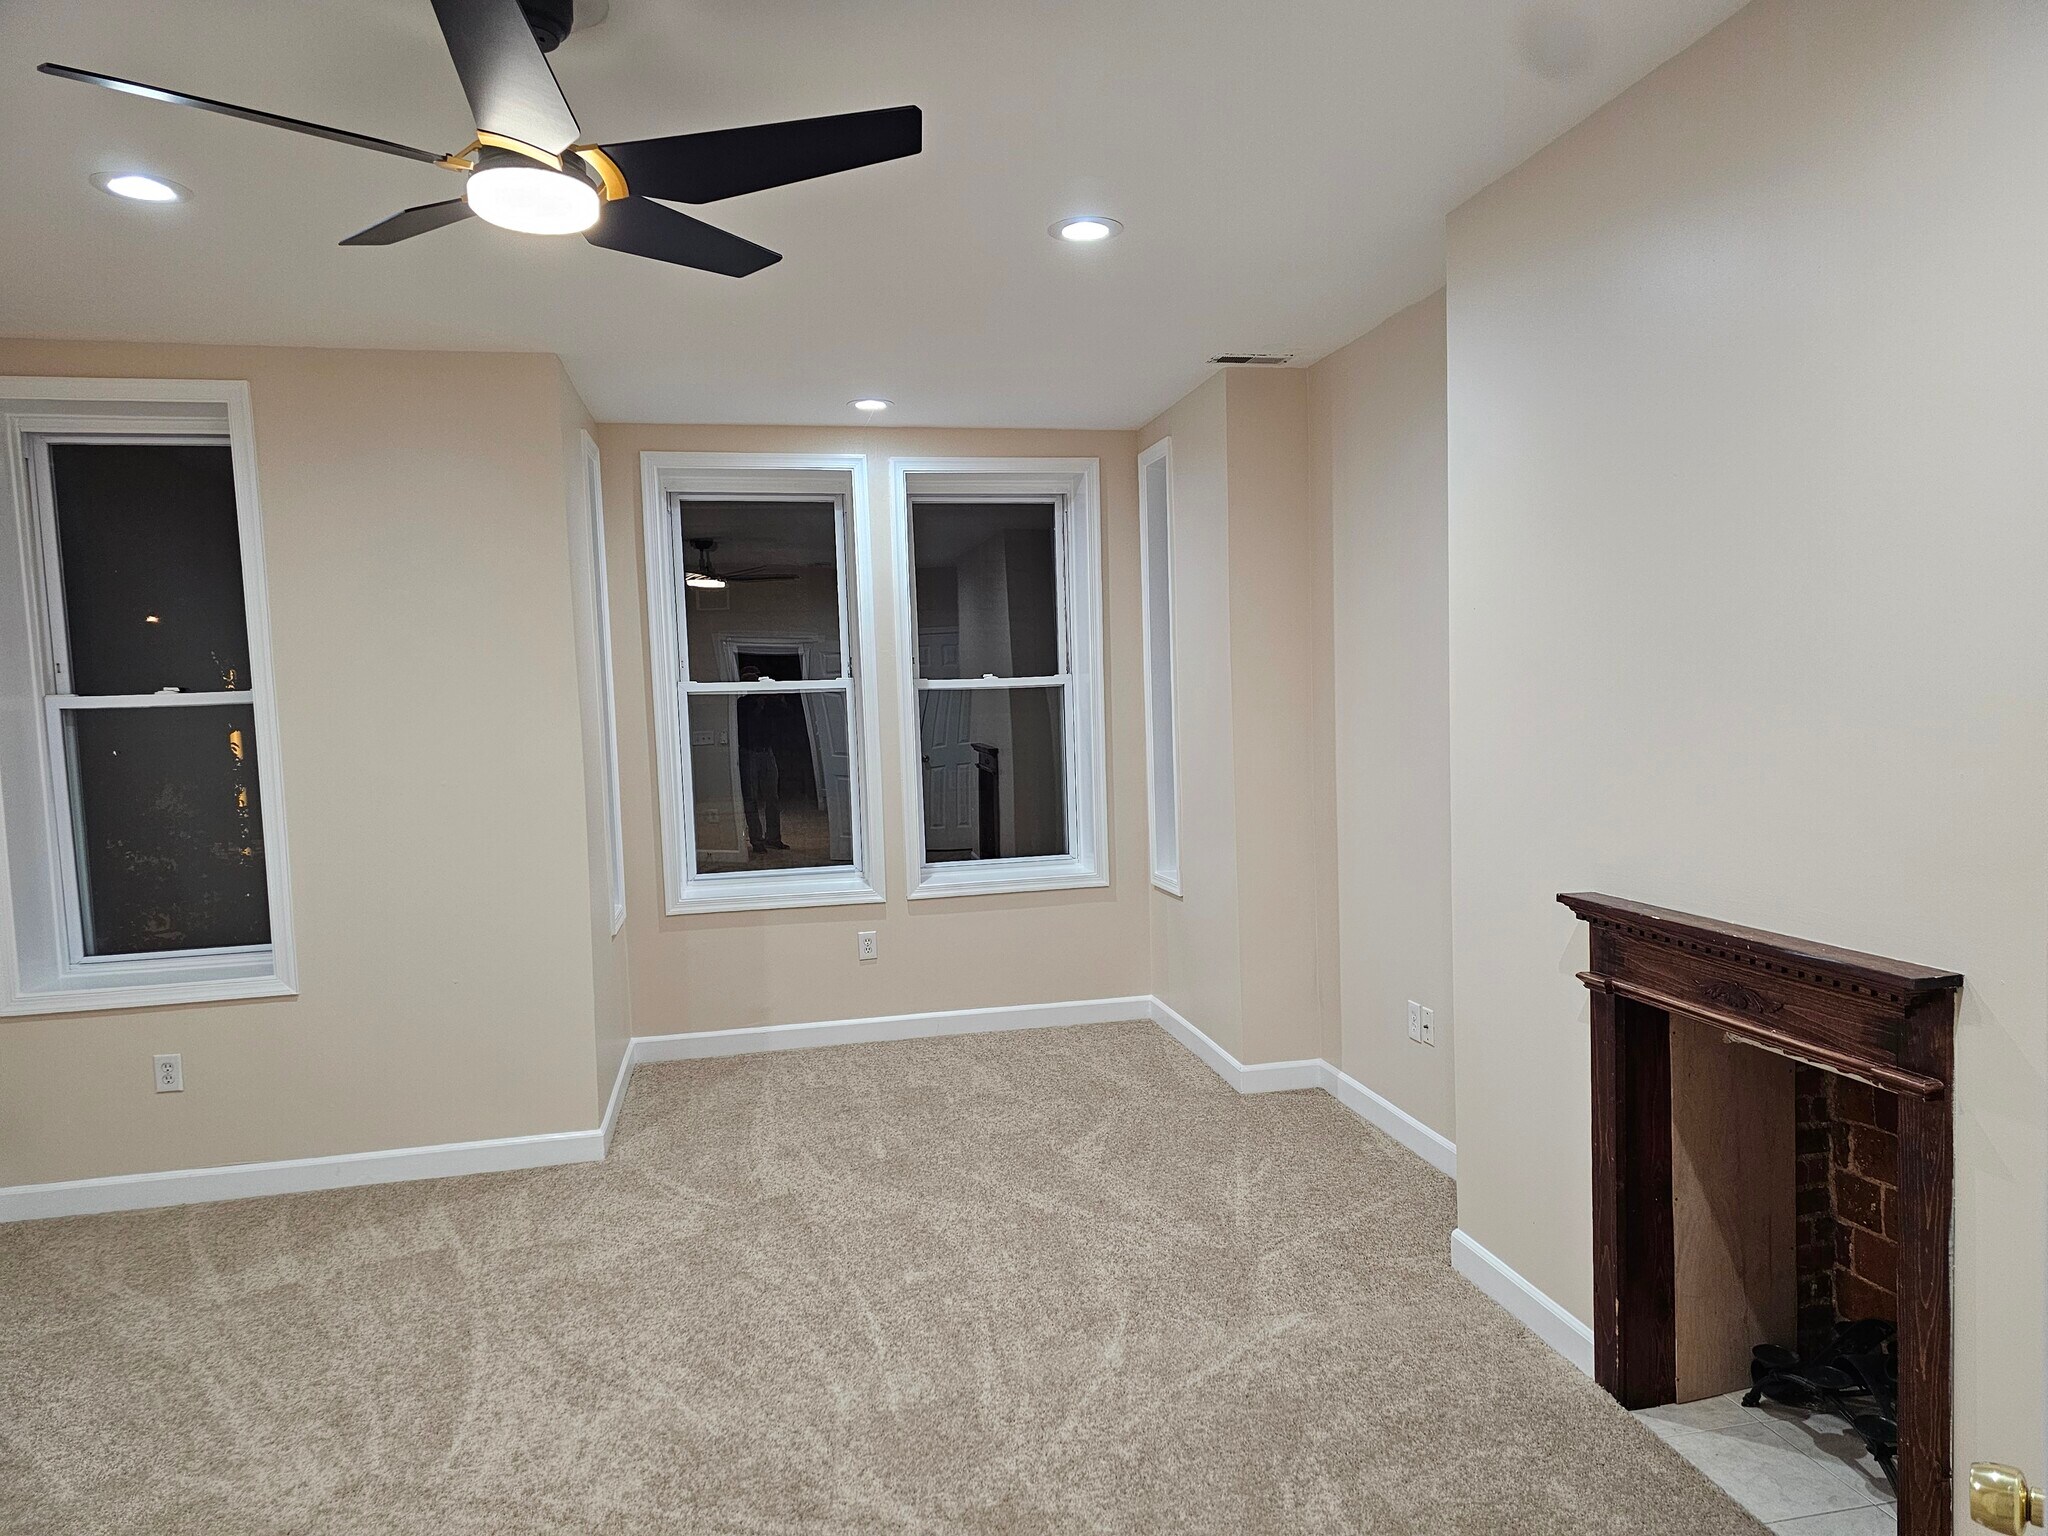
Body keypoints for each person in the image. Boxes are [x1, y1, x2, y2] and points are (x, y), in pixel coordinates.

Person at [735, 665, 789, 853]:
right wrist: (758, 704)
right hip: (748, 752)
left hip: (767, 751)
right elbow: (745, 723)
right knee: (750, 798)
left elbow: (785, 714)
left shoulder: (769, 701)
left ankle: (773, 838)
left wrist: (777, 697)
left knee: (772, 797)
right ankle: (756, 840)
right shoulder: (741, 703)